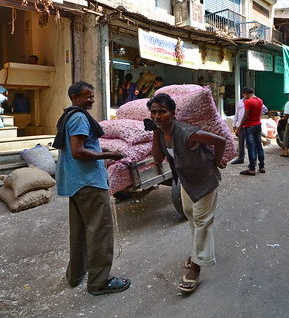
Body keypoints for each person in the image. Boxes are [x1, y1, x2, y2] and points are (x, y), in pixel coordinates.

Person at [54, 81, 131, 296]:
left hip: (75, 183)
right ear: (75, 97)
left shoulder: (69, 116)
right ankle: (99, 282)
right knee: (100, 232)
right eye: (87, 96)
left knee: (79, 232)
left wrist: (100, 148)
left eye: (92, 95)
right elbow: (78, 152)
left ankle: (76, 275)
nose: (92, 99)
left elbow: (79, 146)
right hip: (89, 183)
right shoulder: (79, 117)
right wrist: (109, 155)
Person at [147, 93, 226, 293]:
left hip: (205, 180)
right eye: (154, 112)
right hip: (186, 181)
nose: (157, 116)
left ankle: (196, 268)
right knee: (191, 217)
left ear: (172, 113)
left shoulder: (187, 132)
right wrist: (156, 134)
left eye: (162, 112)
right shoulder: (161, 134)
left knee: (202, 220)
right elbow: (157, 158)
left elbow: (220, 141)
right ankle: (198, 252)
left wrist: (216, 161)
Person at [238, 86, 265, 176]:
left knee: (251, 147)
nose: (243, 96)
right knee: (259, 145)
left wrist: (239, 127)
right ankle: (262, 166)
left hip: (249, 126)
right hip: (258, 125)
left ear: (246, 93)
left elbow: (246, 116)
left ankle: (252, 168)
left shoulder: (248, 102)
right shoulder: (260, 100)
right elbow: (261, 112)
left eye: (243, 94)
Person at [232, 99, 268, 165]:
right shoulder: (240, 102)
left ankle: (253, 162)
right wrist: (234, 124)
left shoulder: (254, 101)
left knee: (252, 145)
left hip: (250, 125)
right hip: (243, 124)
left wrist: (256, 115)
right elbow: (236, 113)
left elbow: (264, 109)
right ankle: (241, 158)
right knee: (241, 142)